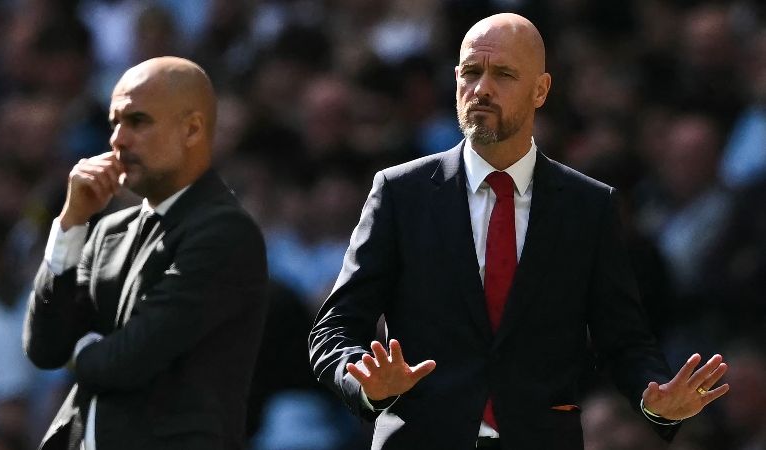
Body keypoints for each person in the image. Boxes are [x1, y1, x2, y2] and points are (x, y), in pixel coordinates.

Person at [308, 13, 729, 450]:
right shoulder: (399, 193)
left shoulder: (588, 206)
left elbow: (624, 341)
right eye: (471, 72)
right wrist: (364, 381)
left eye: (503, 74)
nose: (482, 88)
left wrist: (655, 397)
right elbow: (334, 328)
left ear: (541, 90)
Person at [23, 57, 268, 450]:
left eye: (137, 121)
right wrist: (70, 225)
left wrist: (82, 350)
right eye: (114, 123)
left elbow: (129, 361)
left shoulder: (225, 232)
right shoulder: (108, 231)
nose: (118, 140)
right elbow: (45, 347)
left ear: (191, 130)